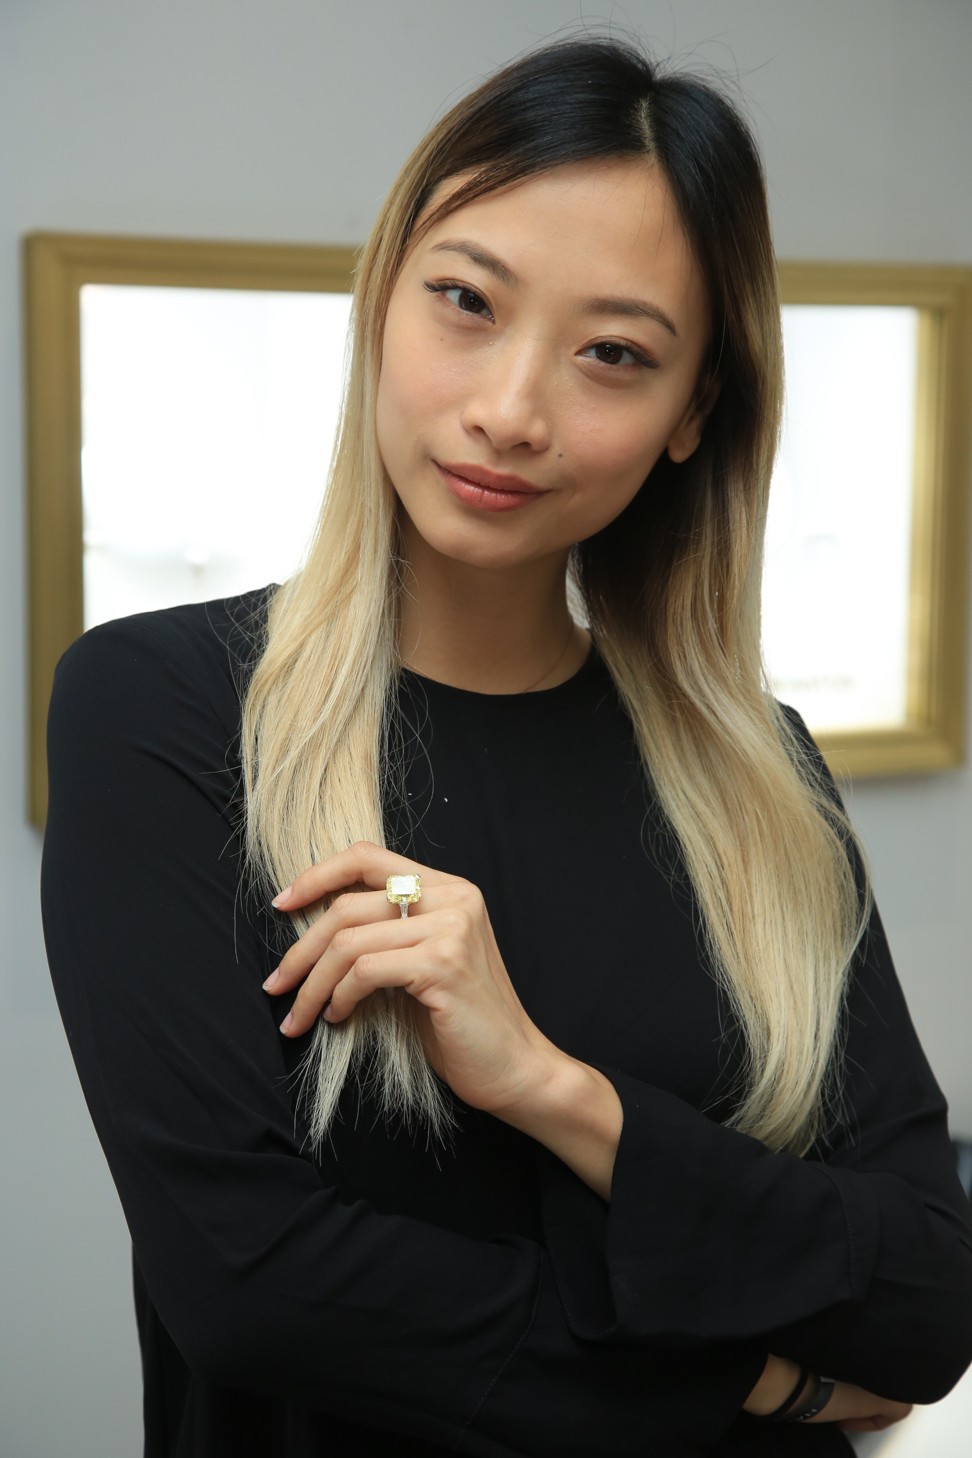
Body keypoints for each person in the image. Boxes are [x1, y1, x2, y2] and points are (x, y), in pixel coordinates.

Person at [43, 36, 972, 1458]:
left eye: (616, 355)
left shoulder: (760, 777)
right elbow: (250, 1289)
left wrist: (552, 1085)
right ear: (380, 304)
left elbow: (925, 1298)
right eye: (466, 302)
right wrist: (771, 1381)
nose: (510, 410)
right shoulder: (163, 712)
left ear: (691, 416)